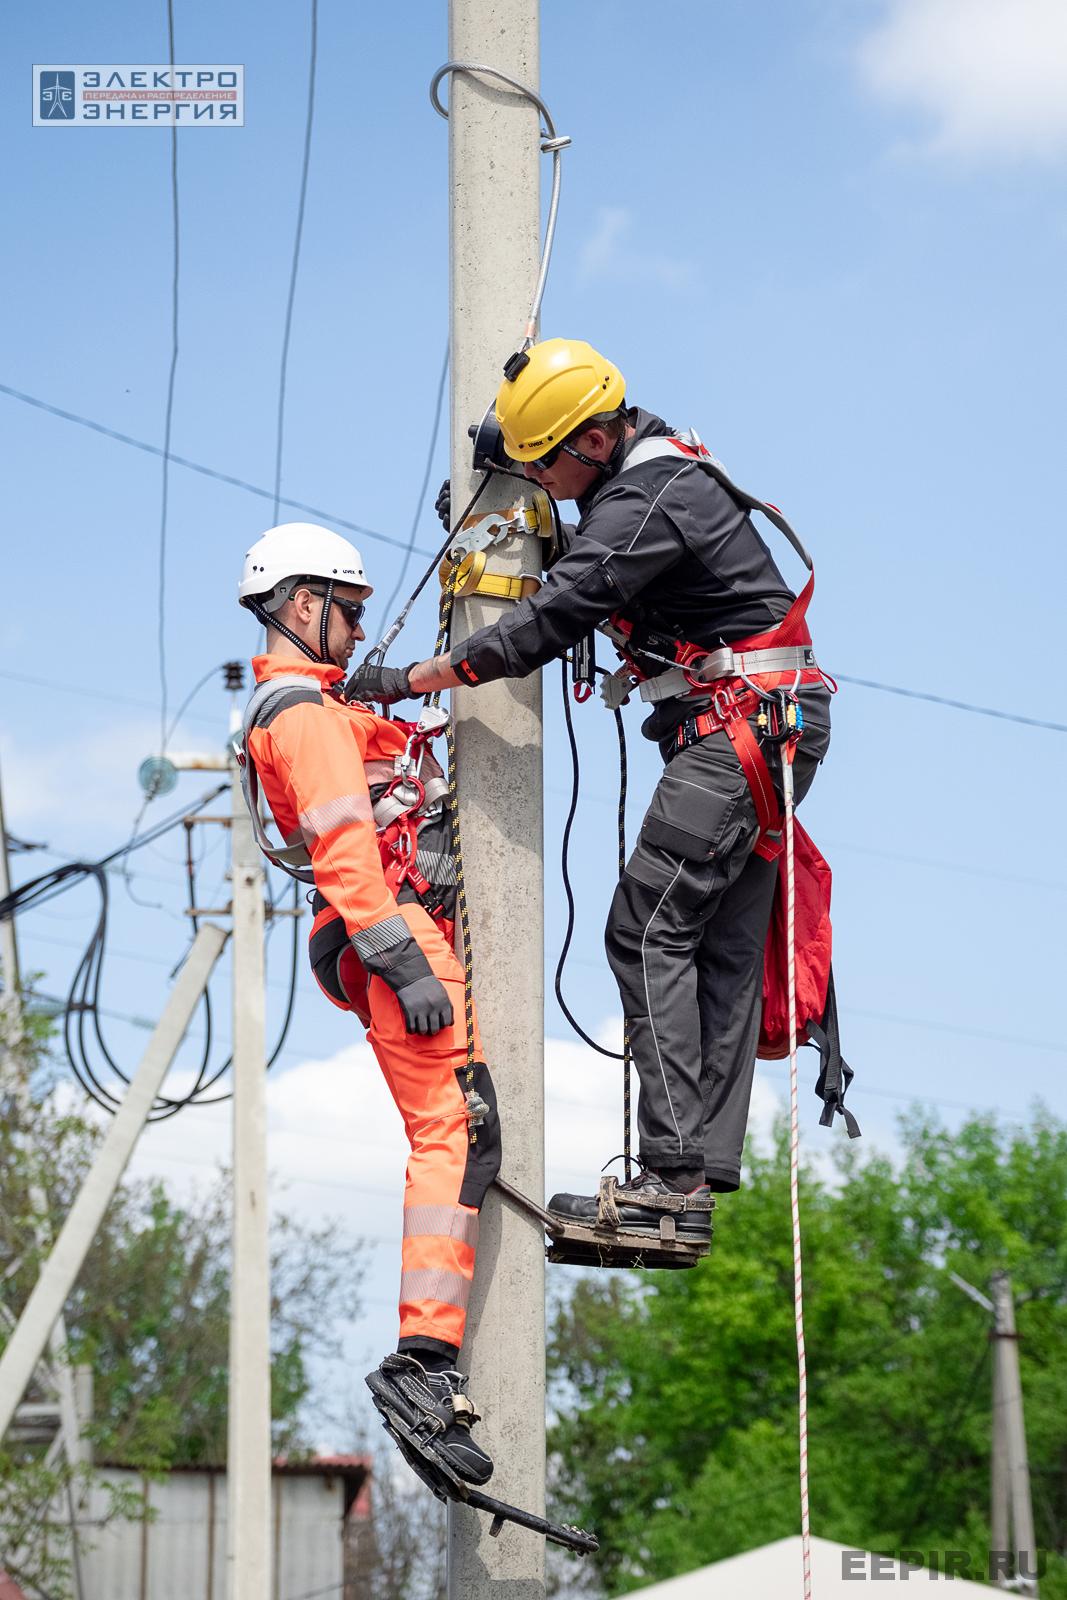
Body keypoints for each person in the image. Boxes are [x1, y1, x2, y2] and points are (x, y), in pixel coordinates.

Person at [350, 338, 834, 1239]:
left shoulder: (651, 497)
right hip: (758, 727)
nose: (540, 479)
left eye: (544, 464)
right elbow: (598, 557)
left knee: (646, 927)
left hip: (740, 729)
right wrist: (518, 488)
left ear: (596, 440)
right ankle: (688, 1188)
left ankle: (671, 1179)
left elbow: (550, 617)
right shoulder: (641, 481)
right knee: (717, 948)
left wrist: (411, 679)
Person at [237, 521, 500, 1488]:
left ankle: (427, 1363)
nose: (355, 628)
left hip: (385, 926)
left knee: (465, 1132)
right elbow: (348, 851)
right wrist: (403, 963)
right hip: (389, 924)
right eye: (347, 611)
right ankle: (423, 1365)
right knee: (453, 1132)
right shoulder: (303, 716)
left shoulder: (316, 704)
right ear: (302, 604)